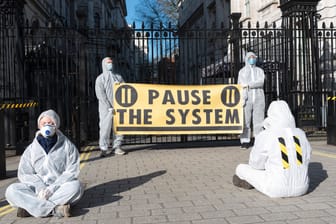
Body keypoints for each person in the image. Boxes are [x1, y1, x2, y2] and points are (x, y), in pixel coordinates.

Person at [5, 109, 83, 217]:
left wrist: (53, 188)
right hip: (37, 190)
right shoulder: (31, 149)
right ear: (39, 126)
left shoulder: (67, 146)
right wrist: (40, 187)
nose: (47, 126)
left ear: (56, 126)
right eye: (44, 123)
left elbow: (72, 171)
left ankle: (31, 208)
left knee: (76, 187)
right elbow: (24, 173)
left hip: (58, 188)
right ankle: (54, 210)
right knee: (11, 190)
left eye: (51, 123)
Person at [233, 100, 312, 198]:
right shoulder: (301, 133)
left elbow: (255, 164)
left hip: (276, 188)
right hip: (303, 187)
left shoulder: (266, 135)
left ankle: (251, 181)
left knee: (241, 168)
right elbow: (307, 158)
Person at [95, 57, 126, 157]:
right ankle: (103, 149)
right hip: (105, 108)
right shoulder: (100, 79)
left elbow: (126, 90)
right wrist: (108, 106)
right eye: (108, 63)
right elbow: (100, 94)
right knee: (105, 128)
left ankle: (117, 147)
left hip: (118, 106)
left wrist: (121, 86)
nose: (110, 64)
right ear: (104, 64)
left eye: (111, 62)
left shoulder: (118, 77)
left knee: (119, 128)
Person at [238, 52, 265, 148]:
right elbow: (241, 84)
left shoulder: (260, 71)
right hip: (247, 98)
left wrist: (249, 84)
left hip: (259, 98)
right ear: (246, 59)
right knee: (246, 120)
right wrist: (242, 98)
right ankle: (245, 141)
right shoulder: (242, 72)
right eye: (250, 57)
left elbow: (261, 82)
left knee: (259, 120)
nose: (252, 59)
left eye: (254, 57)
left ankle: (259, 140)